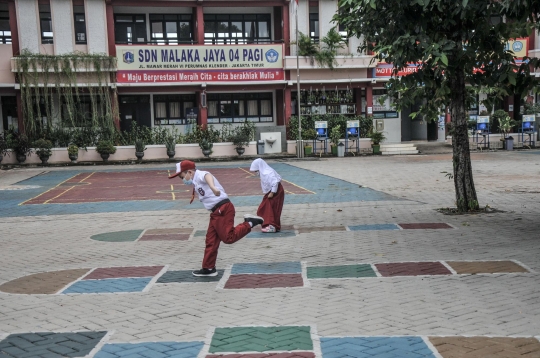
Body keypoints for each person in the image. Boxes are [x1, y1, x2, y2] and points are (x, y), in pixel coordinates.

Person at [169, 160, 264, 277]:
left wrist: (213, 187)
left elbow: (208, 176)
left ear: (189, 172)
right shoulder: (195, 180)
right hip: (215, 212)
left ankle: (249, 223)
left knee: (228, 238)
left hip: (222, 209)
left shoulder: (199, 175)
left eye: (181, 176)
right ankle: (208, 268)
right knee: (211, 240)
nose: (182, 180)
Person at [249, 158, 285, 233]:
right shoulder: (264, 172)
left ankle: (272, 226)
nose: (256, 172)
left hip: (275, 192)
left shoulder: (268, 173)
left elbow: (275, 182)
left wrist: (272, 193)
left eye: (256, 170)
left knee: (270, 208)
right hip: (272, 191)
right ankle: (273, 225)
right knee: (267, 208)